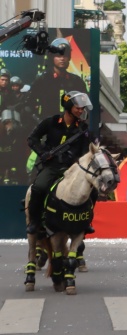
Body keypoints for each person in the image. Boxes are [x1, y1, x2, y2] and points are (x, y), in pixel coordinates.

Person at [25, 91, 93, 234]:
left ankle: (86, 222)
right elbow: (32, 139)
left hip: (73, 168)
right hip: (52, 166)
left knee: (93, 190)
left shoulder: (83, 128)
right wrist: (43, 153)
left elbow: (85, 151)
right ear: (68, 106)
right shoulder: (51, 122)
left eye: (82, 108)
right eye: (78, 108)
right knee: (38, 188)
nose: (81, 111)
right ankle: (35, 221)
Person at [28, 38, 89, 120]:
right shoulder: (42, 80)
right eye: (58, 55)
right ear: (52, 57)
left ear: (69, 57)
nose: (62, 59)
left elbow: (85, 105)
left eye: (65, 55)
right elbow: (29, 104)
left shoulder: (77, 81)